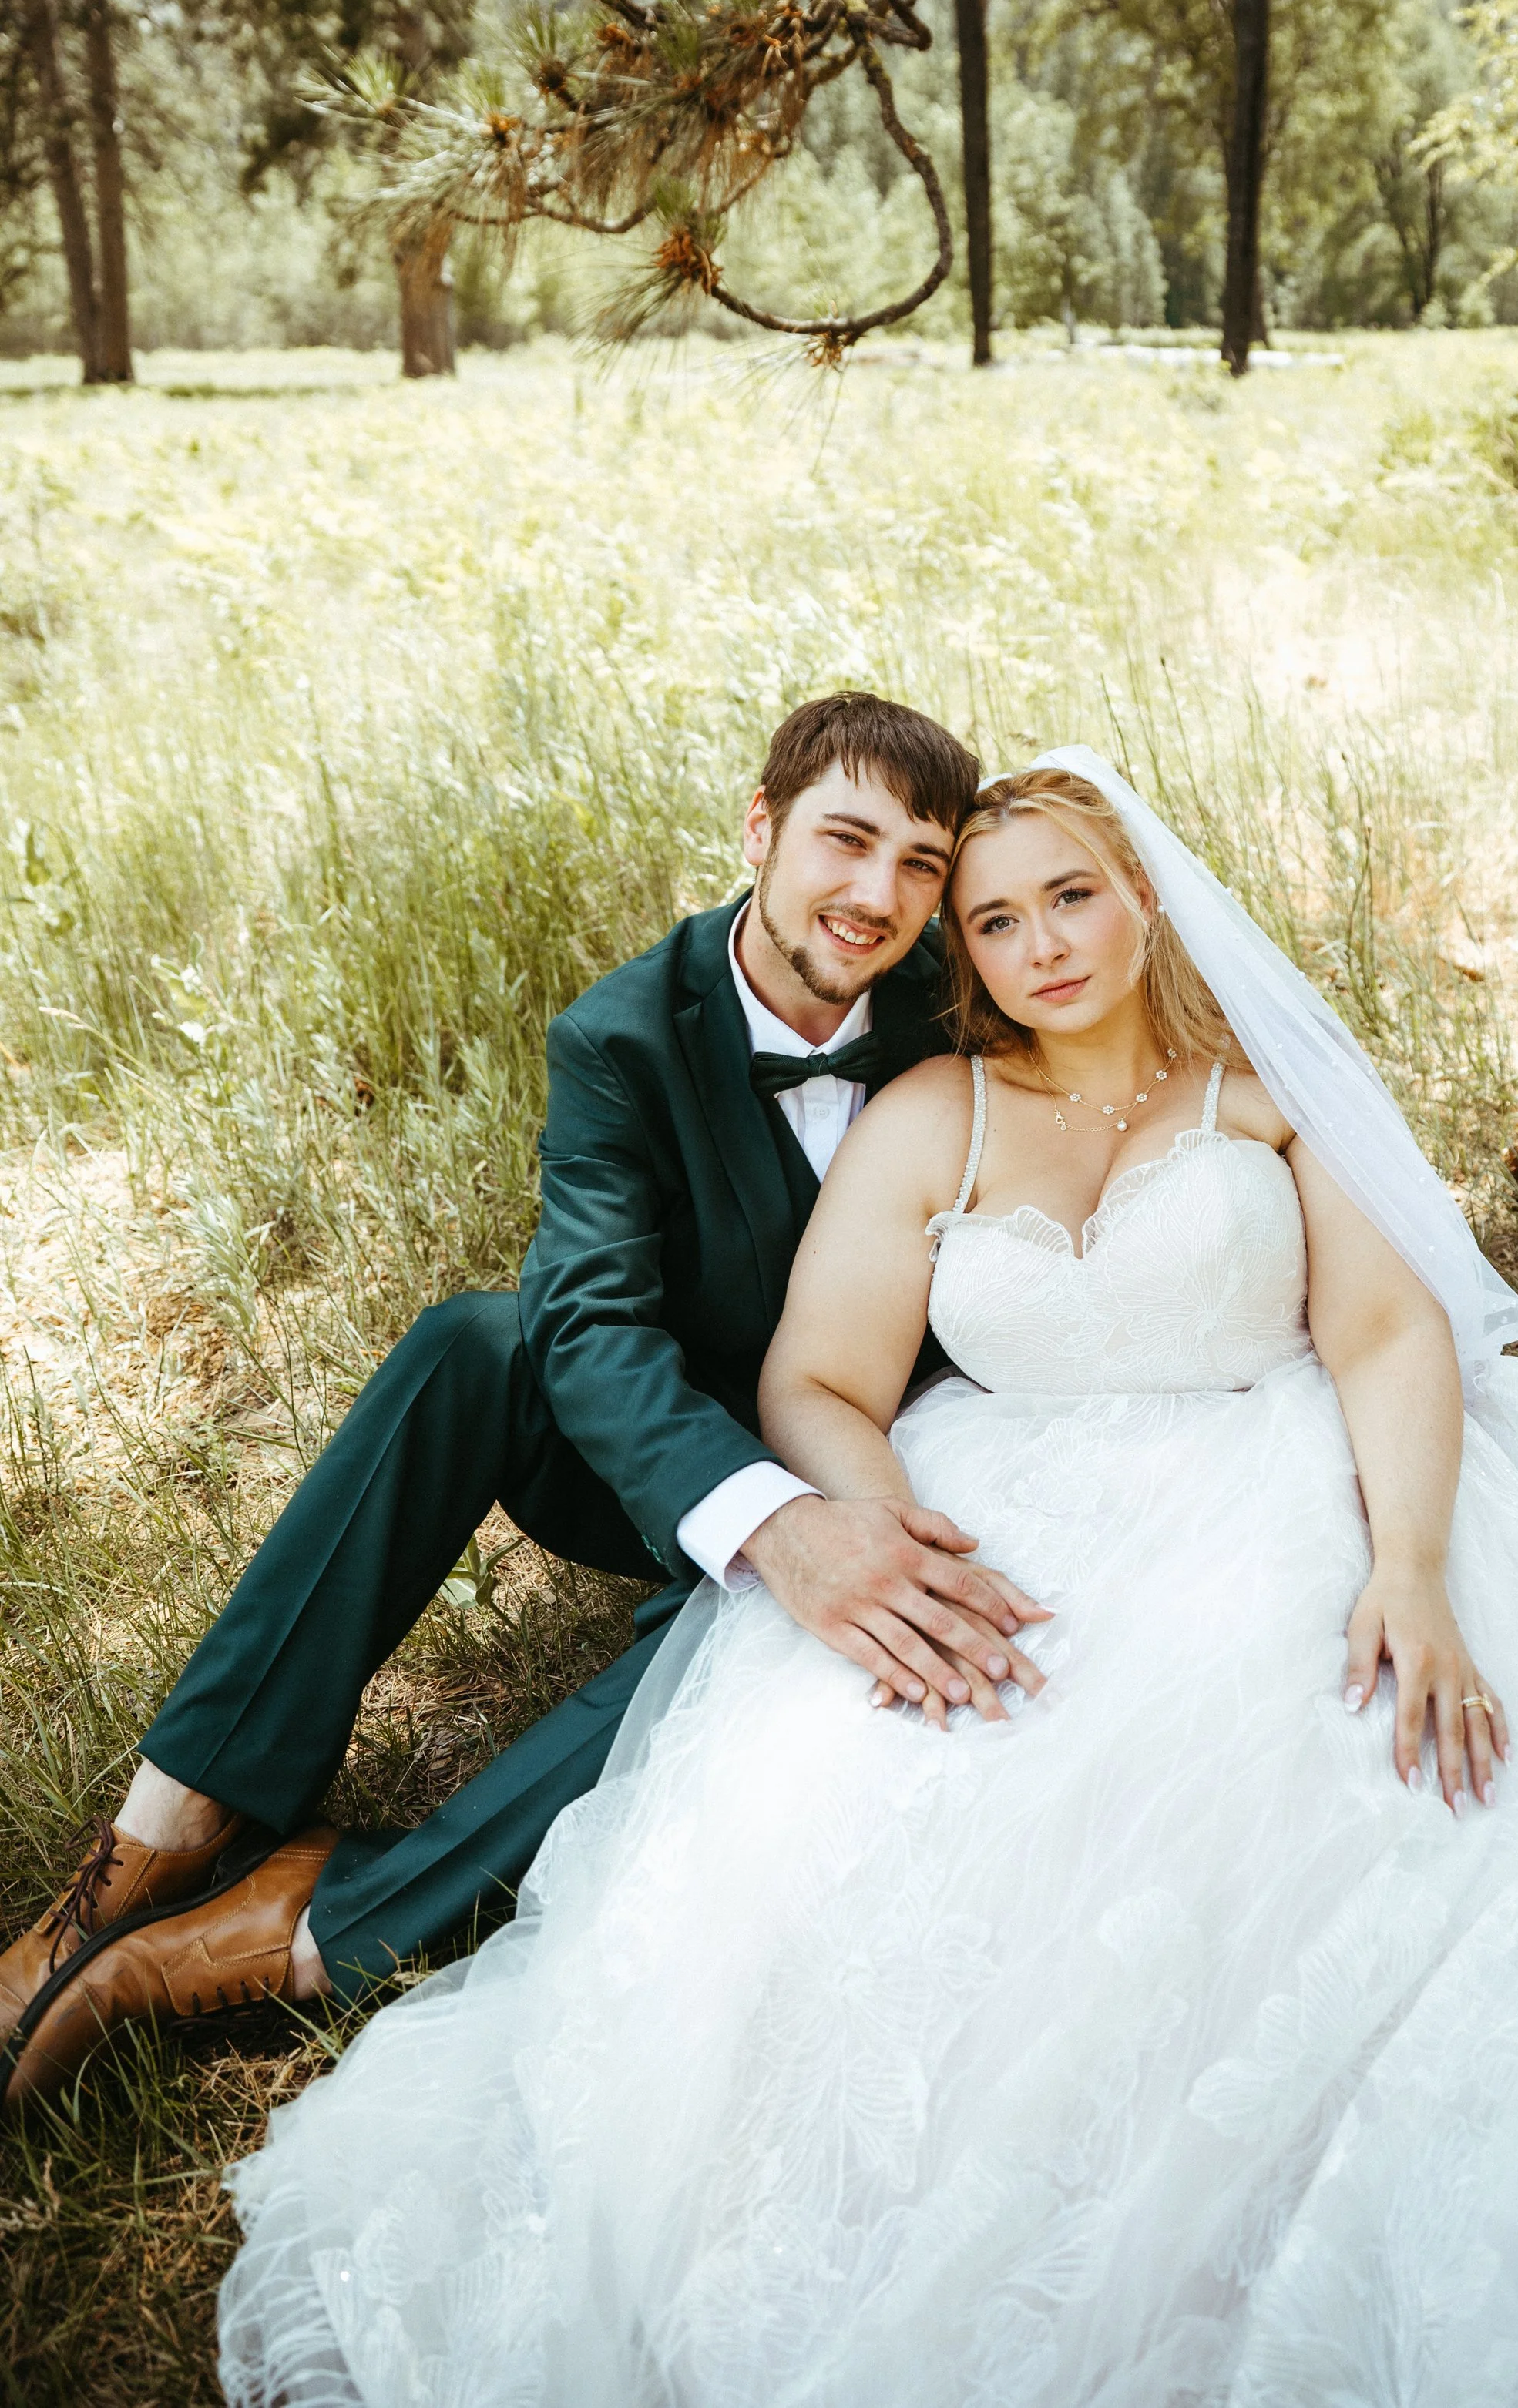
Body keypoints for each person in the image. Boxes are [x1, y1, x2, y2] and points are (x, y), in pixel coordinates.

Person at [210, 752, 1518, 2406]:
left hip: (1287, 1482)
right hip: (1010, 1511)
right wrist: (880, 1530)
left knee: (1341, 1801)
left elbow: (1387, 1328)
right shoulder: (932, 1114)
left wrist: (1408, 1566)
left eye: (1071, 899)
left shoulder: (1260, 1087)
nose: (1040, 946)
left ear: (1145, 900)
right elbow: (818, 1382)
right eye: (997, 923)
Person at [0, 693, 1053, 2109]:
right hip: (678, 1447)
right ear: (760, 827)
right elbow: (594, 1327)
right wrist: (769, 1521)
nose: (878, 896)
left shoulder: (970, 998)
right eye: (844, 841)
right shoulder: (622, 1035)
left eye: (919, 864)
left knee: (757, 1636)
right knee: (476, 1342)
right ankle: (157, 1838)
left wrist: (824, 1527)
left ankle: (314, 1916)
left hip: (897, 1450)